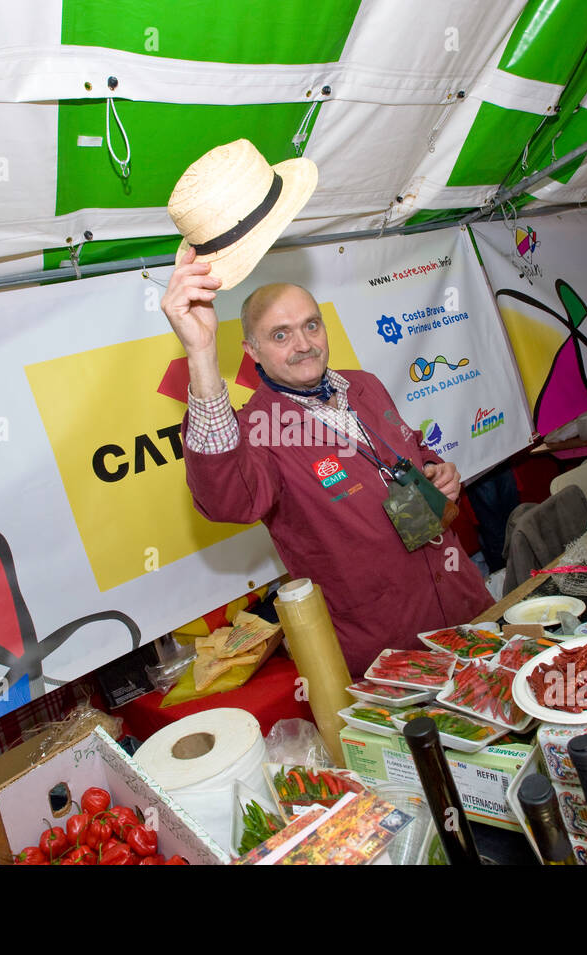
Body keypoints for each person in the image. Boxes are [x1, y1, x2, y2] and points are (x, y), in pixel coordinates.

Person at [162, 262, 493, 675]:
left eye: (311, 326)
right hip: (391, 650)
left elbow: (413, 450)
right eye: (280, 335)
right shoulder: (257, 431)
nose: (303, 344)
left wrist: (434, 469)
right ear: (253, 352)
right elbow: (230, 501)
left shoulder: (364, 385)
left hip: (466, 606)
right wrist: (201, 354)